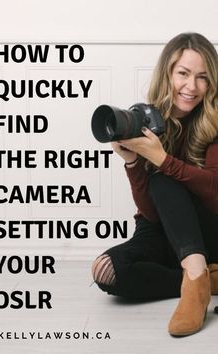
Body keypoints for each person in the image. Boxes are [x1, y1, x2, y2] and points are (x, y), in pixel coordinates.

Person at [91, 32, 218, 337]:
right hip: (161, 228)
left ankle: (196, 276)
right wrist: (133, 163)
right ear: (168, 73)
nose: (191, 86)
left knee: (163, 178)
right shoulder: (147, 121)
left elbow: (215, 194)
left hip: (206, 226)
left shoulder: (214, 123)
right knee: (107, 271)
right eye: (183, 74)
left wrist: (163, 160)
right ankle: (203, 279)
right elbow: (149, 213)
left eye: (202, 78)